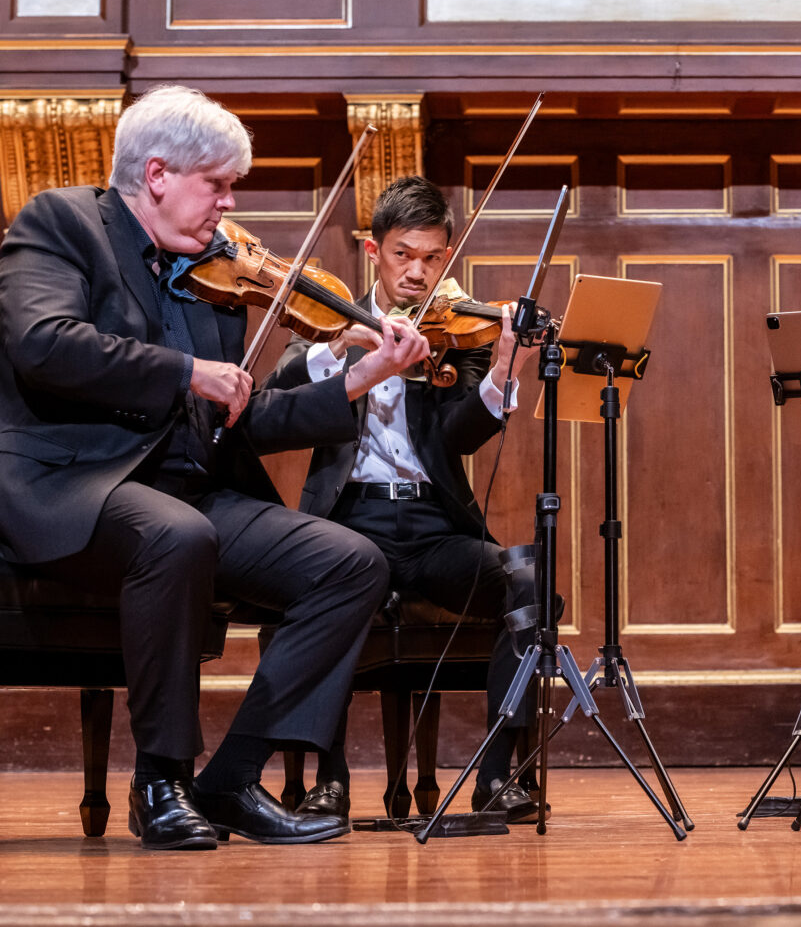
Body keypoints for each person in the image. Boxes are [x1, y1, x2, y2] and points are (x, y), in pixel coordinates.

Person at [0, 86, 432, 849]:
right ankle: (160, 781)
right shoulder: (62, 222)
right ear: (158, 174)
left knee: (348, 563)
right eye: (219, 184)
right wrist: (184, 371)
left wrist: (356, 381)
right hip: (71, 484)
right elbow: (44, 341)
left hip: (185, 486)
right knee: (175, 536)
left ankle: (229, 779)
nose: (230, 205)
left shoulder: (212, 271)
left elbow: (243, 417)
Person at [262, 175, 546, 823]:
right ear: (373, 251)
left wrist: (503, 371)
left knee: (532, 583)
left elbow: (459, 438)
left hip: (432, 523)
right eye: (403, 255)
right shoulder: (333, 317)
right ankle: (329, 782)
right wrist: (345, 352)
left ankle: (497, 777)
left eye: (432, 258)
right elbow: (278, 396)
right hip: (349, 517)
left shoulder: (453, 330)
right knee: (323, 586)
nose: (417, 273)